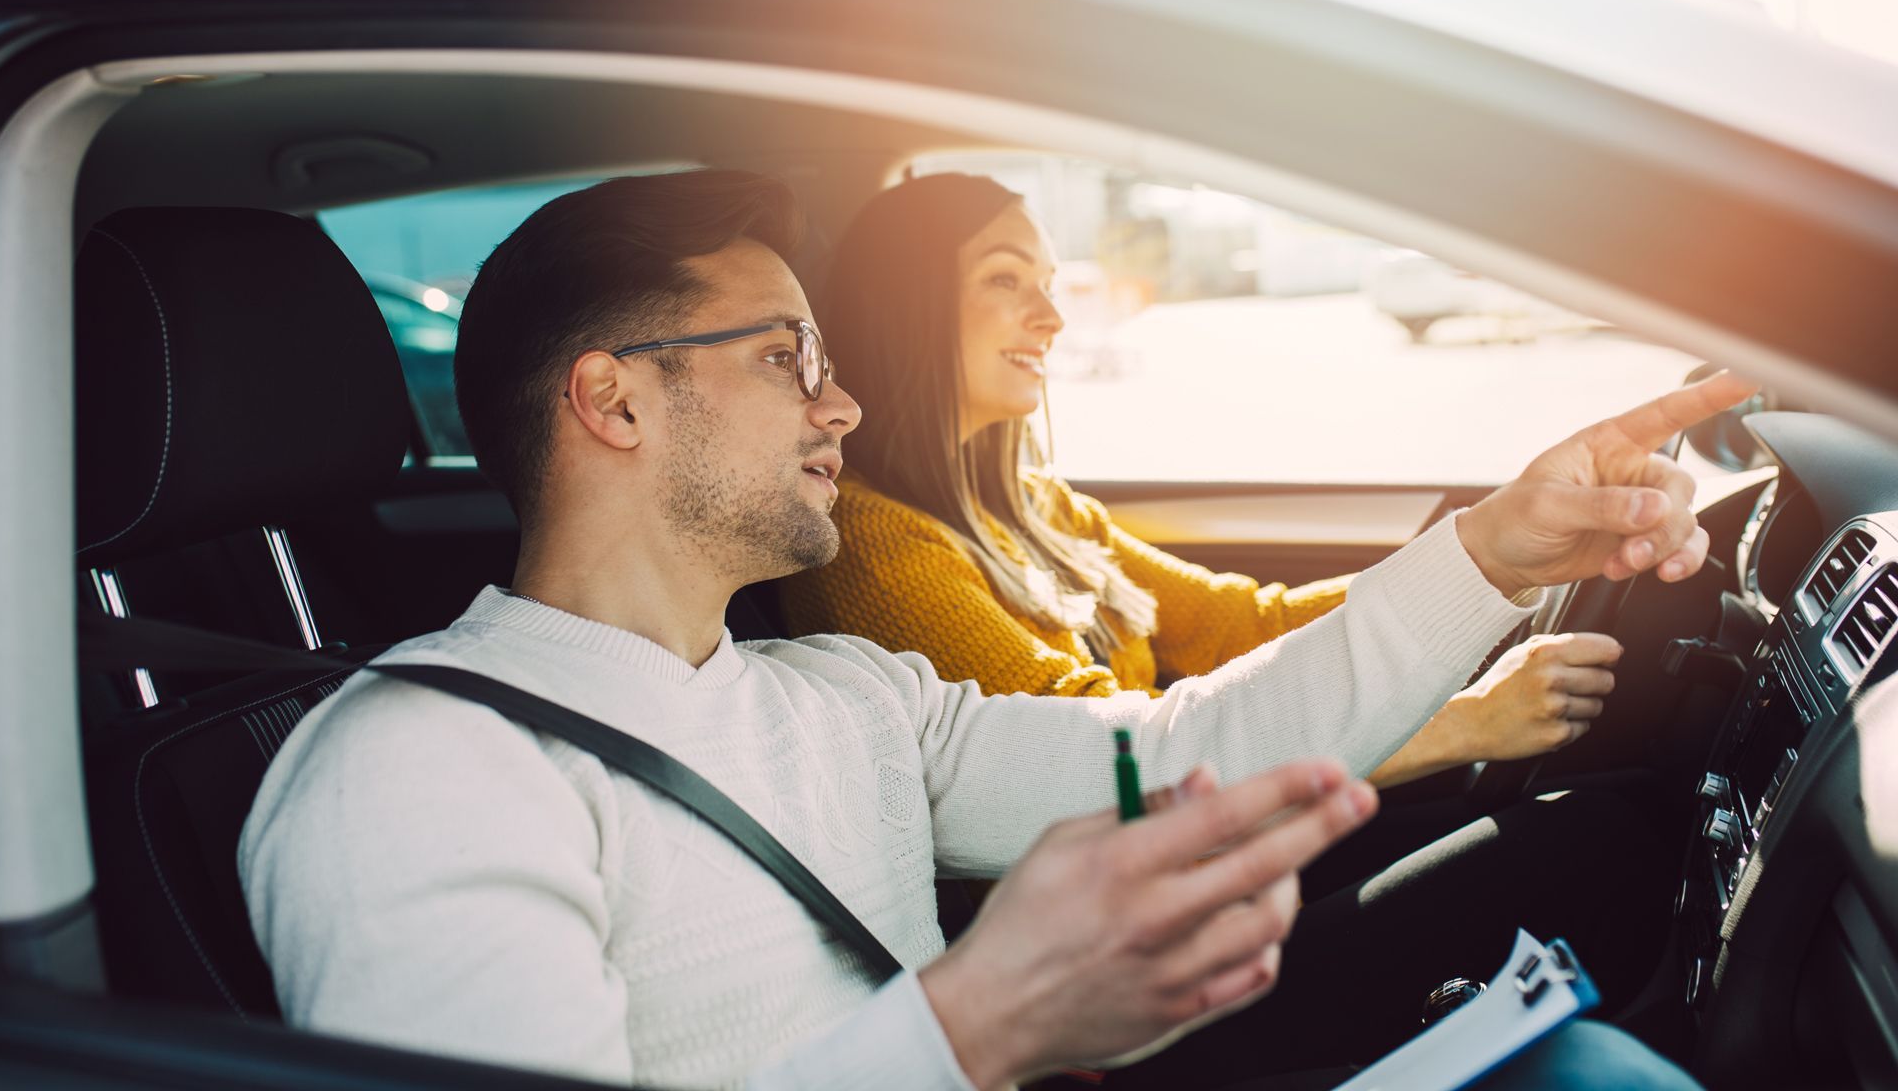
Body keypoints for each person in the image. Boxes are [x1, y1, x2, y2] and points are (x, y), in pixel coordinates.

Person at [240, 169, 1727, 1091]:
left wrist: (1489, 552)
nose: (845, 405)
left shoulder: (846, 698)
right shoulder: (414, 774)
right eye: (784, 358)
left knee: (1584, 1066)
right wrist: (975, 1030)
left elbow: (1188, 747)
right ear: (612, 399)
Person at [784, 172, 1625, 790]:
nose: (1051, 316)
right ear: (907, 304)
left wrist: (1488, 562)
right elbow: (1124, 770)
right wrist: (1463, 722)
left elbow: (1240, 625)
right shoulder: (879, 545)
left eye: (1046, 282)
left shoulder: (1035, 506)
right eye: (1005, 280)